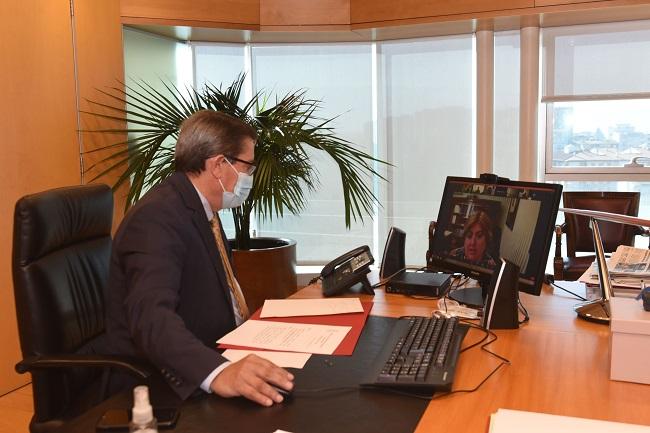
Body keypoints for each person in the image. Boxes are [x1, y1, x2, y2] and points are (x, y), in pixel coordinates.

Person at [105, 110, 293, 406]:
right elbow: (151, 319)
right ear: (219, 164)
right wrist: (217, 372)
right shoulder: (157, 218)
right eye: (247, 167)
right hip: (160, 381)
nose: (249, 177)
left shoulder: (201, 209)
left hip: (219, 346)